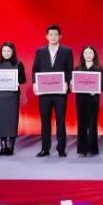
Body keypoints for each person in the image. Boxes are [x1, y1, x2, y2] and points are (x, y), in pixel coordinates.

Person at [32, 24, 74, 157]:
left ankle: (61, 149)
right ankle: (45, 149)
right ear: (46, 36)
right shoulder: (40, 51)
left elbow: (69, 70)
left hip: (60, 93)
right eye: (51, 35)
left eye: (56, 35)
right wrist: (35, 84)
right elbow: (35, 70)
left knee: (61, 121)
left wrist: (67, 83)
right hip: (44, 93)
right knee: (45, 121)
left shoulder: (67, 51)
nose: (53, 37)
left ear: (60, 36)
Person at [0, 42, 26, 156]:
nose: (6, 53)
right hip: (0, 96)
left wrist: (16, 80)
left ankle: (10, 147)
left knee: (12, 121)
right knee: (0, 121)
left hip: (12, 96)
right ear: (1, 52)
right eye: (4, 51)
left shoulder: (18, 63)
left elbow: (23, 79)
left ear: (13, 52)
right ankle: (3, 147)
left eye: (8, 51)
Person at [73, 46, 103, 157]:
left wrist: (95, 90)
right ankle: (82, 150)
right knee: (81, 125)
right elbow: (75, 83)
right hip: (81, 100)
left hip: (93, 100)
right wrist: (72, 83)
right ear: (83, 55)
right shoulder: (78, 68)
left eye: (90, 53)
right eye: (86, 52)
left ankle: (92, 149)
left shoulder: (98, 68)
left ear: (94, 55)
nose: (88, 55)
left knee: (92, 125)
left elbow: (102, 84)